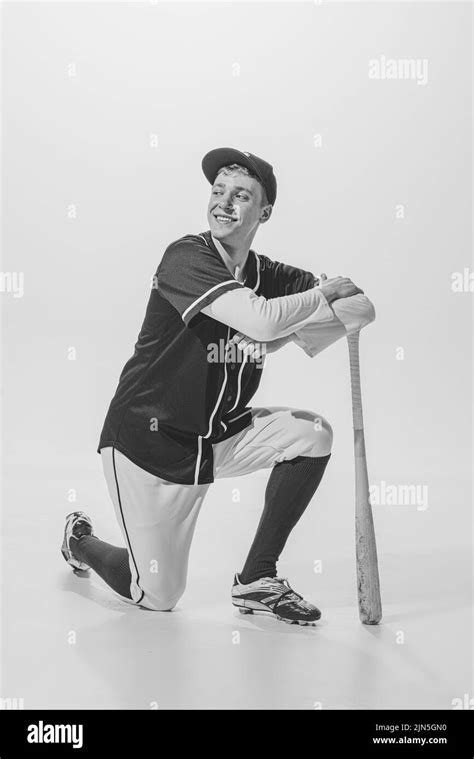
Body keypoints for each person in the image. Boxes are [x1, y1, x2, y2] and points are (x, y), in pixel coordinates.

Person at [61, 147, 374, 625]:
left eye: (241, 195)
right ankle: (80, 541)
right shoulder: (186, 257)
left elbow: (357, 309)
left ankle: (257, 578)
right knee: (158, 595)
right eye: (218, 191)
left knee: (313, 435)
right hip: (149, 446)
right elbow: (264, 321)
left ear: (263, 212)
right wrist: (317, 302)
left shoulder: (267, 274)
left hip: (218, 436)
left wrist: (322, 310)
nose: (225, 203)